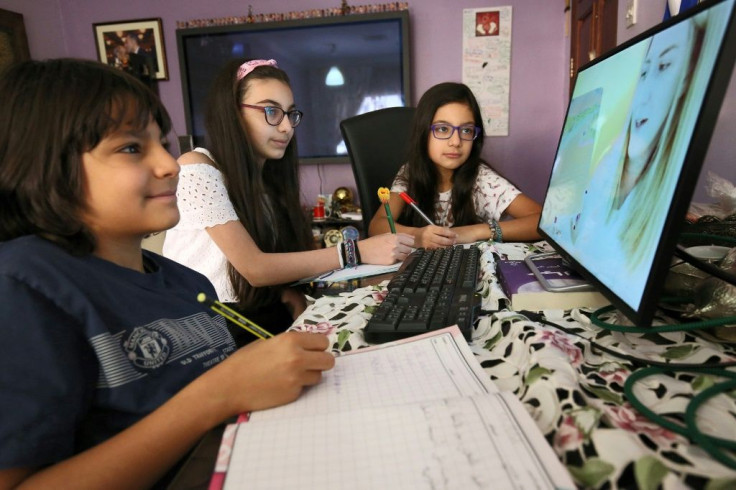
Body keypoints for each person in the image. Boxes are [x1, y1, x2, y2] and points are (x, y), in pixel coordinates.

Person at [0, 58, 335, 489]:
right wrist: (217, 393)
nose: (171, 164)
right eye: (131, 147)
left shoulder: (186, 283)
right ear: (43, 164)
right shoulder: (24, 286)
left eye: (161, 142)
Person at [163, 58, 414, 345]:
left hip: (257, 311)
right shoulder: (196, 166)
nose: (286, 127)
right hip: (210, 326)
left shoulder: (267, 183)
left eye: (290, 114)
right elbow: (254, 268)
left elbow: (281, 265)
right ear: (232, 113)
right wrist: (355, 251)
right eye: (271, 111)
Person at [566, 17, 704, 273]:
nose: (643, 93)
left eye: (664, 66)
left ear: (685, 83)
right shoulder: (611, 162)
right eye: (643, 72)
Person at [368, 82, 542, 249]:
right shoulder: (410, 173)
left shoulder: (481, 179)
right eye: (443, 129)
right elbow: (377, 225)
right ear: (423, 132)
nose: (456, 142)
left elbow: (543, 221)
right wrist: (417, 236)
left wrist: (475, 231)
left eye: (466, 130)